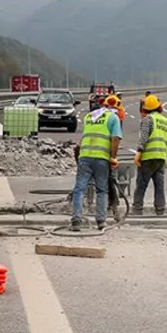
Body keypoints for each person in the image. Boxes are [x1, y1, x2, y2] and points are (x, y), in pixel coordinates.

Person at [72, 94, 122, 231]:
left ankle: (76, 220)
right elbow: (115, 139)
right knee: (102, 189)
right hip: (101, 158)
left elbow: (82, 140)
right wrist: (113, 157)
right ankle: (101, 221)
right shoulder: (113, 118)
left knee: (79, 189)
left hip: (85, 156)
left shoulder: (89, 117)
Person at [132, 94, 167, 216]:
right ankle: (160, 210)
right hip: (161, 157)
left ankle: (137, 210)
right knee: (159, 186)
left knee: (141, 184)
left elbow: (143, 137)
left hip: (148, 157)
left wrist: (138, 152)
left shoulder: (148, 119)